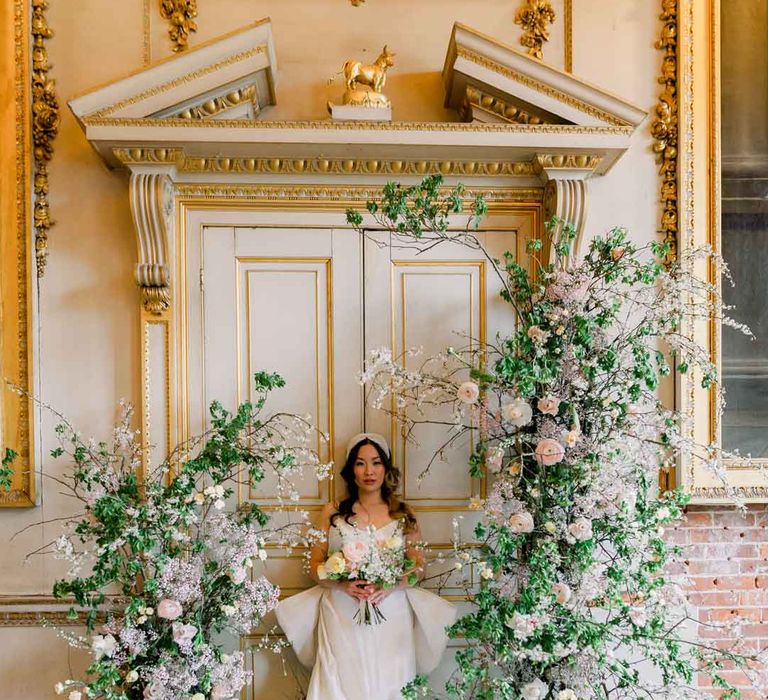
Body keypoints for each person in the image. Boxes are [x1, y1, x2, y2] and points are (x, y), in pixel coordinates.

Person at [275, 432, 457, 700]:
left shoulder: (405, 512)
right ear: (351, 470)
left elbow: (418, 567)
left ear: (386, 468)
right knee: (344, 681)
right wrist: (342, 584)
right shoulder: (332, 512)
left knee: (391, 681)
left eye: (376, 463)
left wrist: (392, 584)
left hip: (391, 610)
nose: (369, 471)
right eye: (360, 463)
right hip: (341, 611)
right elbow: (314, 566)